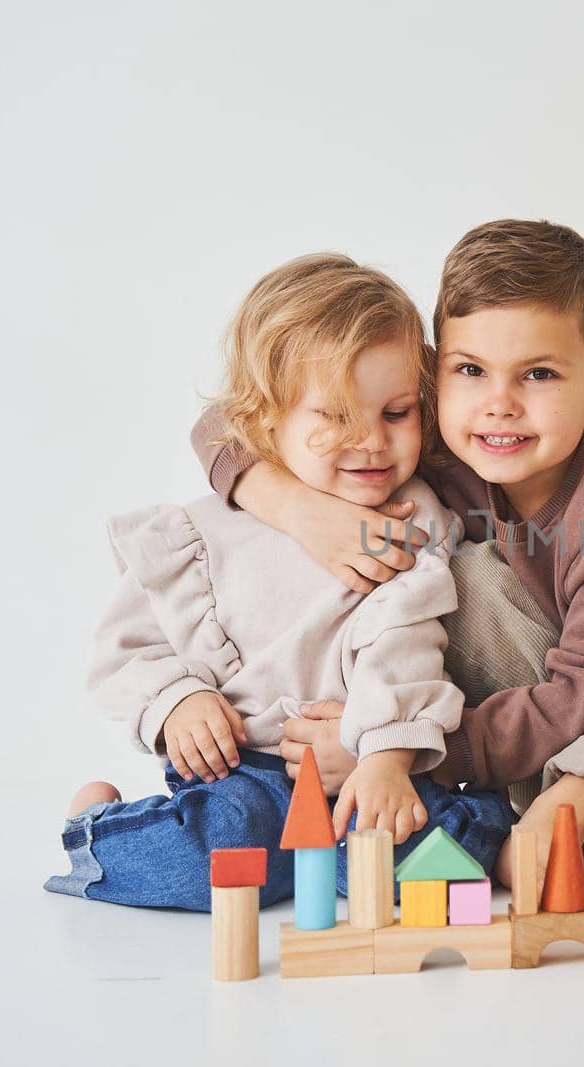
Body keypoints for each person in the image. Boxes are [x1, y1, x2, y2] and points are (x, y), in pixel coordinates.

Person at [193, 219, 584, 886]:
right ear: (437, 375)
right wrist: (302, 511)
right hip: (534, 731)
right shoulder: (431, 431)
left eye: (539, 374)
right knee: (446, 571)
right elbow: (223, 422)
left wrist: (409, 749)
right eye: (470, 370)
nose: (499, 405)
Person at [45, 253, 512, 912]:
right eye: (337, 416)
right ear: (267, 421)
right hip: (248, 771)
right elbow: (122, 652)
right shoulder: (202, 534)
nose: (372, 442)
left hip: (365, 759)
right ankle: (97, 827)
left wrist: (383, 756)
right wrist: (176, 700)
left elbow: (407, 642)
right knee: (219, 849)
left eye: (397, 412)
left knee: (432, 864)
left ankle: (499, 827)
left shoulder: (413, 520)